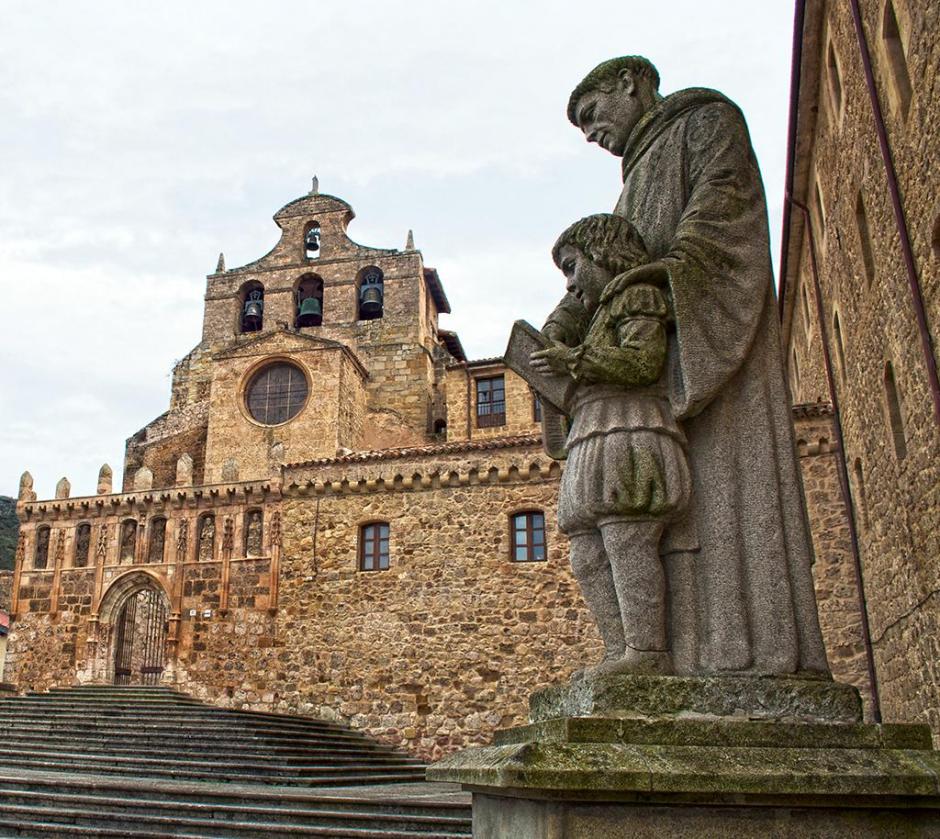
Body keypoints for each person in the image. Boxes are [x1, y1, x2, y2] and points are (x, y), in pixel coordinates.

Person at [542, 56, 829, 678]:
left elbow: (721, 228)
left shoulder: (707, 121)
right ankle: (643, 652)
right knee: (602, 543)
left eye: (592, 115)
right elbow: (601, 277)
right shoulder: (631, 181)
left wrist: (656, 279)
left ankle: (734, 658)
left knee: (653, 524)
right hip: (625, 402)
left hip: (693, 374)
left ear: (631, 83)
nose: (591, 134)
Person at [532, 213, 691, 676]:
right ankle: (616, 651)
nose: (570, 282)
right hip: (593, 428)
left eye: (572, 266)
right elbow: (562, 332)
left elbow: (644, 363)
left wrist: (575, 358)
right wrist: (566, 317)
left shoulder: (636, 295)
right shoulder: (597, 311)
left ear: (600, 254)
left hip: (632, 424)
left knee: (628, 538)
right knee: (585, 551)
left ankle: (646, 653)